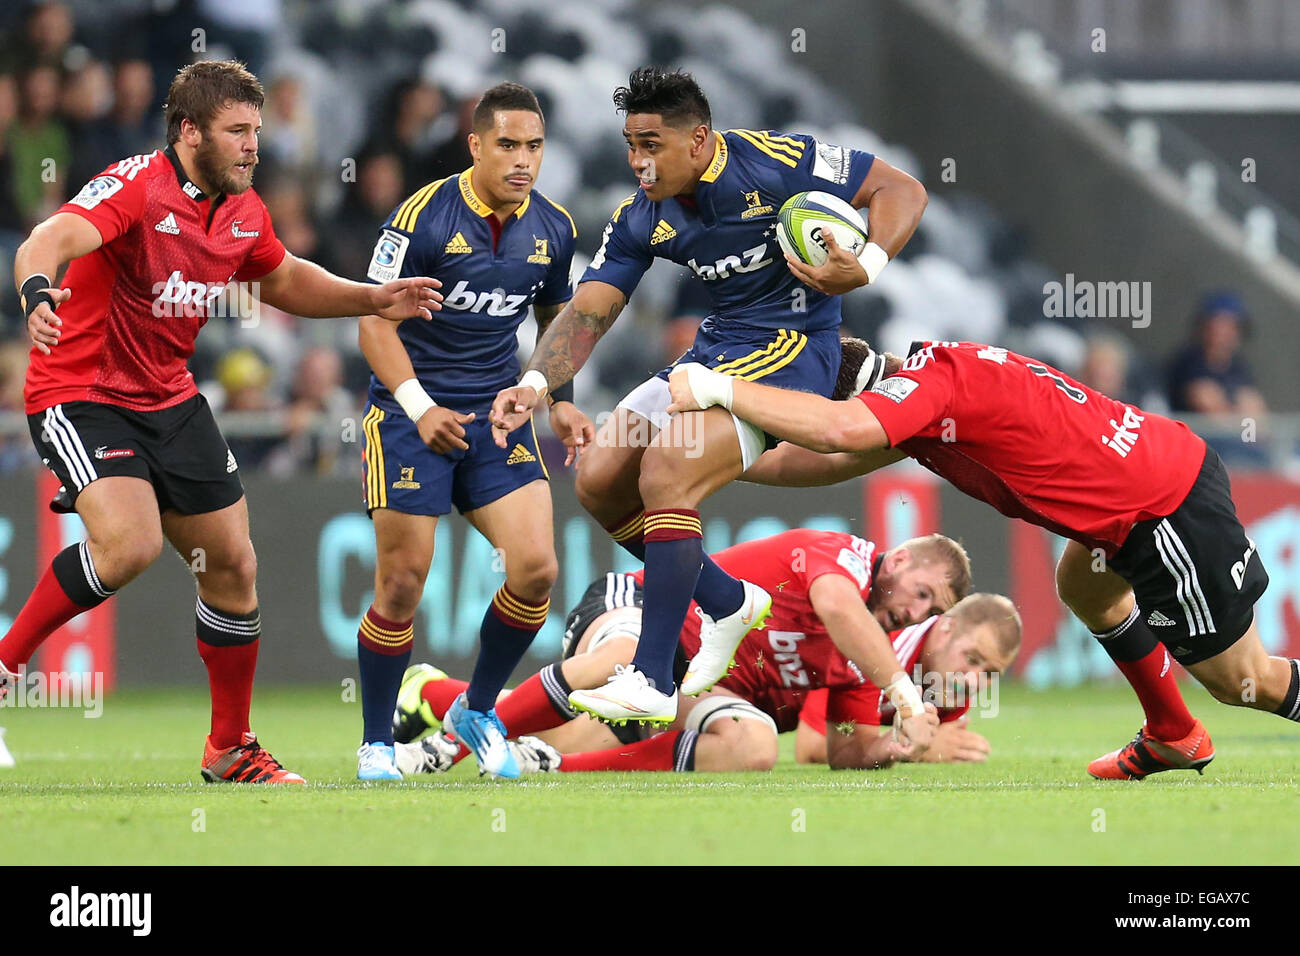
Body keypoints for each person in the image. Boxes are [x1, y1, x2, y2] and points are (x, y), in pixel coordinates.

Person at [2, 60, 442, 785]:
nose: (252, 146)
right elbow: (44, 240)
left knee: (234, 567)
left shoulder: (241, 210)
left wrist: (372, 298)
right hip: (81, 389)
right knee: (131, 543)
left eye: (257, 132)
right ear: (189, 131)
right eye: (237, 131)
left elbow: (285, 278)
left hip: (170, 398)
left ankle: (230, 748)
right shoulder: (135, 186)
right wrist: (38, 289)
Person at [489, 67, 928, 730]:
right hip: (717, 350)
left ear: (698, 142)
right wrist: (532, 385)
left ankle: (651, 677)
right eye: (631, 145)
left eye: (652, 145)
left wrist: (864, 265)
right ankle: (726, 601)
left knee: (669, 469)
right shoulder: (643, 215)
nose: (639, 161)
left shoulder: (776, 162)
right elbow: (589, 311)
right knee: (603, 481)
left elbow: (902, 189)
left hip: (794, 353)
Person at [668, 338, 1299, 779]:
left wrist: (719, 387)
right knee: (1085, 586)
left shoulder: (918, 394)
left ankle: (1181, 731)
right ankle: (1173, 733)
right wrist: (710, 468)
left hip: (1161, 512)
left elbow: (838, 434)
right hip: (1154, 465)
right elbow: (830, 459)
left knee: (1245, 682)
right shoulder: (931, 388)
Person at [354, 82, 590, 780]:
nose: (524, 159)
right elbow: (373, 323)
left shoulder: (554, 228)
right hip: (409, 417)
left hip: (495, 416)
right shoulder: (420, 218)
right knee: (402, 583)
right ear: (476, 145)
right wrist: (420, 406)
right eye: (509, 144)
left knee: (538, 569)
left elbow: (557, 322)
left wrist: (558, 399)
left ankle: (475, 708)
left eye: (535, 146)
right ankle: (375, 742)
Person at [392, 528, 994, 775]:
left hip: (695, 681)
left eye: (930, 611)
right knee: (623, 659)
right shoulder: (849, 558)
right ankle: (456, 736)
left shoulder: (870, 650)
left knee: (752, 745)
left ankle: (448, 705)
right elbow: (837, 607)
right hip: (645, 609)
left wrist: (900, 745)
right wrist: (908, 698)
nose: (915, 613)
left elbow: (840, 743)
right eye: (921, 595)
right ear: (903, 558)